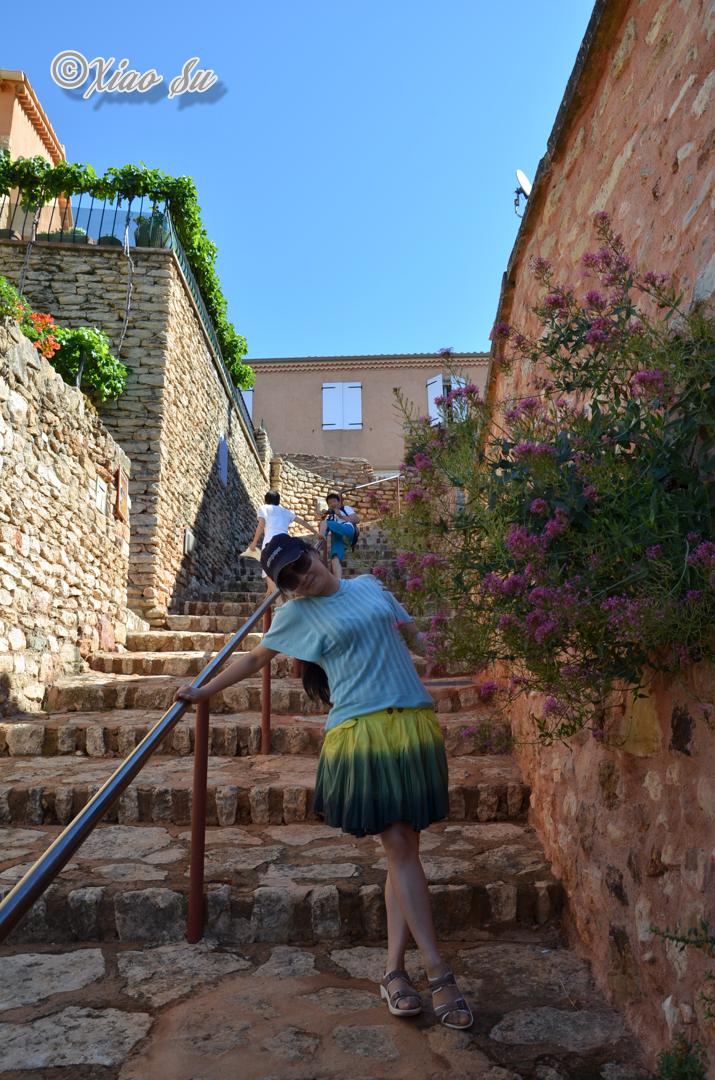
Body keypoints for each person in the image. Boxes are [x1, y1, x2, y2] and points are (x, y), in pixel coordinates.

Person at [175, 534, 473, 1030]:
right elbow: (254, 659)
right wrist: (204, 690)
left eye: (300, 564)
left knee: (404, 854)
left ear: (315, 551)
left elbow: (408, 630)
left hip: (412, 724)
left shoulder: (369, 586)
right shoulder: (297, 614)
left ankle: (394, 972)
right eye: (289, 579)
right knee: (401, 846)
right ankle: (438, 971)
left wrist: (432, 651)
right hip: (361, 733)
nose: (301, 578)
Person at [248, 491, 318, 593]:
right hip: (285, 543)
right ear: (278, 500)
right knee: (276, 576)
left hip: (270, 543)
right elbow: (302, 521)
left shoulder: (263, 508)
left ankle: (279, 601)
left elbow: (261, 524)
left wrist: (254, 543)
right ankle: (267, 602)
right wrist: (316, 533)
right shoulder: (285, 511)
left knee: (270, 574)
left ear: (266, 499)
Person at [319, 491, 360, 580]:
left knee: (325, 522)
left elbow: (357, 520)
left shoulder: (345, 508)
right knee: (335, 557)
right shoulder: (329, 517)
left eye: (334, 501)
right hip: (338, 537)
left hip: (347, 528)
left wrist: (341, 516)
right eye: (330, 503)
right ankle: (338, 581)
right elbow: (326, 528)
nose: (332, 504)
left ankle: (320, 538)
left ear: (339, 502)